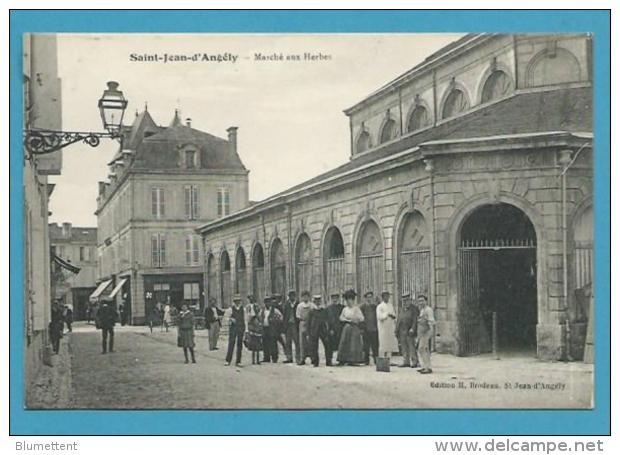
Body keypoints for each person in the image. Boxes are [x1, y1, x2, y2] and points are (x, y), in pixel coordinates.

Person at [336, 289, 365, 366]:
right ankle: (343, 359)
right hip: (347, 327)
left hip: (355, 328)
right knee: (344, 343)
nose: (348, 302)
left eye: (350, 300)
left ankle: (353, 360)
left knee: (353, 344)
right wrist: (346, 319)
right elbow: (341, 318)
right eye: (347, 300)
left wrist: (356, 319)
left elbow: (362, 318)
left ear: (353, 300)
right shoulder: (345, 309)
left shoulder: (356, 309)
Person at [395, 293, 420, 368]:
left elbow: (415, 320)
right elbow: (399, 319)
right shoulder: (402, 309)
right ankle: (406, 361)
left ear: (410, 300)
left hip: (409, 330)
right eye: (404, 300)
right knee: (403, 346)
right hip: (402, 330)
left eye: (407, 300)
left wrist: (413, 328)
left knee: (411, 346)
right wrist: (396, 329)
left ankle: (414, 361)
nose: (405, 302)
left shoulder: (414, 308)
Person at [308, 295, 333, 367]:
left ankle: (329, 361)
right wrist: (308, 332)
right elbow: (308, 322)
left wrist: (329, 329)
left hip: (323, 330)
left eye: (319, 300)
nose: (318, 302)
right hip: (314, 330)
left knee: (327, 345)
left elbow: (328, 320)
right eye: (316, 301)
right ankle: (315, 362)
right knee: (314, 346)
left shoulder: (324, 310)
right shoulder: (311, 311)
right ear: (314, 301)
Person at [295, 290, 316, 365]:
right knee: (302, 342)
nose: (305, 298)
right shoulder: (300, 306)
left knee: (310, 341)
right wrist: (302, 320)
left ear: (309, 297)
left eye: (306, 296)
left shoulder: (312, 305)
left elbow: (315, 314)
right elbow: (297, 316)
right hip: (302, 323)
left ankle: (313, 358)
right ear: (302, 297)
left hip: (310, 324)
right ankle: (302, 358)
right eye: (303, 296)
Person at [416, 295, 435, 374]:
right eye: (419, 301)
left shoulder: (428, 310)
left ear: (426, 301)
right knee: (421, 349)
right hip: (422, 332)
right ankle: (424, 366)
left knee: (424, 349)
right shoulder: (422, 310)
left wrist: (431, 332)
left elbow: (431, 321)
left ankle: (428, 367)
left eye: (422, 300)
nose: (421, 302)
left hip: (427, 331)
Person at [376, 291, 398, 361]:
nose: (387, 298)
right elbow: (379, 316)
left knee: (389, 343)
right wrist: (386, 314)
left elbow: (394, 315)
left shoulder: (390, 305)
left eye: (388, 296)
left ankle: (389, 359)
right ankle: (382, 359)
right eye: (385, 296)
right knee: (383, 343)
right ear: (383, 297)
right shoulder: (379, 306)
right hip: (383, 327)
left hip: (390, 326)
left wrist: (392, 316)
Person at [262, 296, 283, 363]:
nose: (267, 304)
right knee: (265, 343)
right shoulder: (262, 310)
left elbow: (281, 317)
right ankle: (266, 357)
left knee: (273, 343)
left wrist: (276, 322)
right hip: (265, 328)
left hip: (272, 328)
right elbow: (260, 317)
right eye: (266, 302)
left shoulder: (275, 310)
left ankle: (274, 357)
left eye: (268, 302)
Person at [359, 291, 379, 365]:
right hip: (366, 329)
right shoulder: (362, 307)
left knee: (375, 345)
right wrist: (361, 328)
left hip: (374, 329)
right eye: (368, 297)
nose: (369, 299)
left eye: (371, 297)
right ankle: (366, 360)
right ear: (365, 298)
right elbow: (360, 319)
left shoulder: (375, 307)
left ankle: (376, 359)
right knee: (366, 346)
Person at [225, 296, 246, 366]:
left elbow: (245, 319)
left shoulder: (243, 309)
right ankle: (228, 360)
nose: (237, 302)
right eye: (236, 301)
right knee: (231, 343)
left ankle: (238, 361)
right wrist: (231, 319)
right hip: (233, 328)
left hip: (241, 327)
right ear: (234, 302)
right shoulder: (230, 309)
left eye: (238, 301)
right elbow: (226, 318)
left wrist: (246, 330)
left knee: (239, 344)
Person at [281, 290, 299, 364]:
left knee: (297, 342)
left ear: (295, 296)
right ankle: (289, 357)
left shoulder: (298, 304)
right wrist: (283, 327)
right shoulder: (286, 305)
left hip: (295, 325)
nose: (292, 297)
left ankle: (298, 357)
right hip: (288, 325)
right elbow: (284, 316)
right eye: (290, 296)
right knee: (288, 342)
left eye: (293, 296)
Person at [245, 299, 264, 365]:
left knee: (258, 348)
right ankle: (253, 360)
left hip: (258, 333)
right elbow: (249, 325)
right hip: (253, 334)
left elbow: (261, 324)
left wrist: (260, 330)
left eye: (257, 309)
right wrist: (250, 331)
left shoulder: (259, 317)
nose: (256, 310)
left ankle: (258, 360)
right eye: (255, 309)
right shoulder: (252, 318)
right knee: (253, 348)